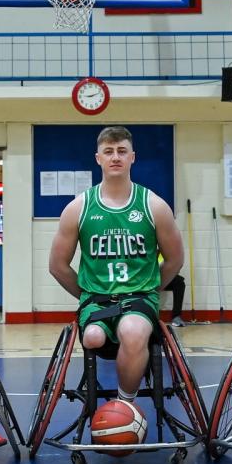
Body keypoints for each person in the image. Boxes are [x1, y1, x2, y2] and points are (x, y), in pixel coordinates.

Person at [49, 126, 184, 406]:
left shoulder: (154, 206)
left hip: (139, 298)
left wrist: (150, 288)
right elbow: (58, 265)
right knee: (94, 336)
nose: (115, 157)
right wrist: (86, 293)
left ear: (132, 157)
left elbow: (175, 259)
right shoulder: (78, 208)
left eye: (122, 151)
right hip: (96, 301)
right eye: (108, 152)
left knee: (133, 332)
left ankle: (125, 405)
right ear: (98, 158)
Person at [158, 252, 186, 327]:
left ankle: (176, 317)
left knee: (179, 283)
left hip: (162, 277)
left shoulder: (168, 249)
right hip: (148, 278)